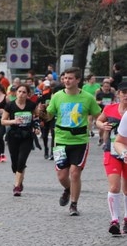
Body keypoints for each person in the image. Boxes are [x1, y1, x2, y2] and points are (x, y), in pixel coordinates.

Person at [46, 67, 102, 216]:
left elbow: (99, 116)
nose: (66, 80)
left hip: (80, 141)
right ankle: (68, 189)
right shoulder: (57, 96)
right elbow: (49, 116)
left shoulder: (87, 98)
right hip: (60, 141)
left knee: (75, 173)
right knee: (62, 176)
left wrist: (102, 125)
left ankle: (73, 204)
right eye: (65, 78)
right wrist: (41, 114)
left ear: (78, 80)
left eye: (70, 78)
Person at [95, 81, 127, 235]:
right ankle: (114, 220)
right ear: (118, 94)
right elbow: (98, 120)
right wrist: (102, 126)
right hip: (112, 151)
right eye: (124, 92)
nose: (126, 95)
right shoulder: (110, 108)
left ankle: (126, 218)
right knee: (114, 186)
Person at [1, 84, 40, 196]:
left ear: (28, 94)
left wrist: (36, 127)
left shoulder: (32, 105)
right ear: (16, 93)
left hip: (27, 136)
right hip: (14, 135)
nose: (21, 94)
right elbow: (3, 121)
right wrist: (13, 121)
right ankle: (20, 178)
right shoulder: (10, 105)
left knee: (22, 160)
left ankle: (17, 186)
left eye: (24, 92)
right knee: (15, 163)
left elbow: (36, 117)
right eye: (19, 91)